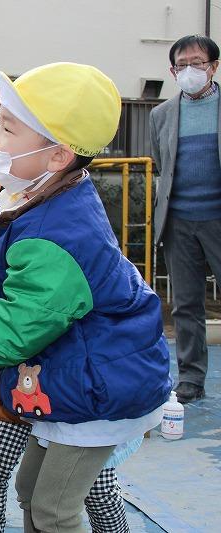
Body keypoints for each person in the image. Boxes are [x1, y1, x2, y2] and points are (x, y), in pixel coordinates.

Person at [0, 62, 172, 533]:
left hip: (99, 392)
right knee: (32, 491)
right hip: (77, 379)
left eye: (8, 129)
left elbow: (14, 330)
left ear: (56, 156)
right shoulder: (42, 200)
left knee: (55, 509)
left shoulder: (55, 238)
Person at [150, 34, 221, 404]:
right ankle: (191, 378)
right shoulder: (160, 115)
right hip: (179, 222)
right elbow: (163, 166)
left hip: (218, 219)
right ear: (172, 71)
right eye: (183, 65)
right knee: (186, 305)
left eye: (198, 63)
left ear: (214, 66)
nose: (190, 71)